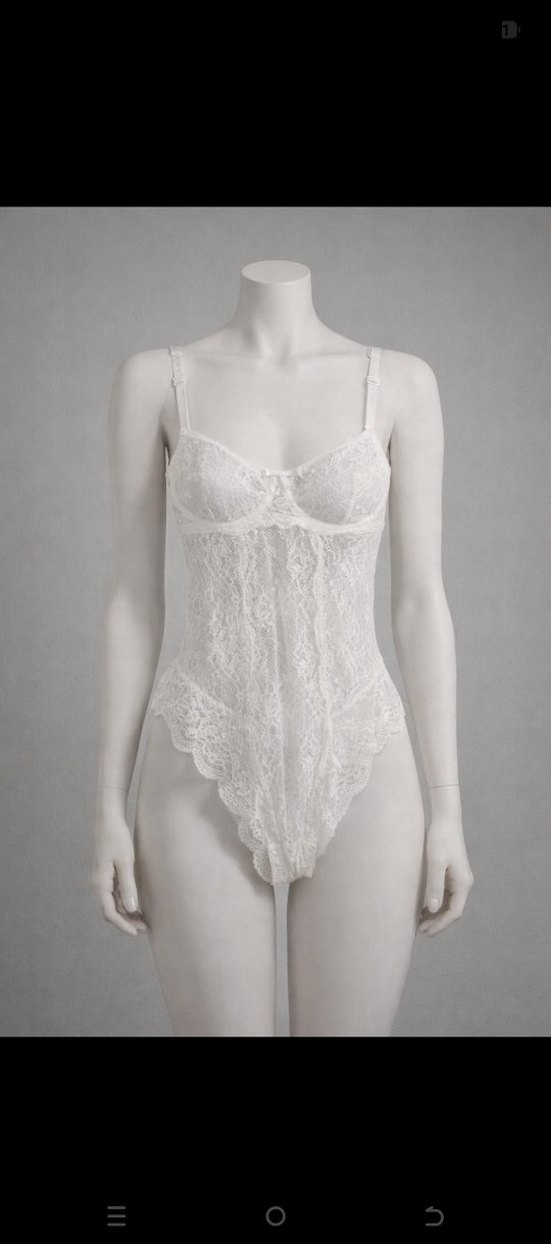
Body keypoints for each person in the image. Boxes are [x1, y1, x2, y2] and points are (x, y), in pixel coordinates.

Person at [91, 259, 474, 1036]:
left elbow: (419, 602)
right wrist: (105, 803)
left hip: (362, 757)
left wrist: (447, 809)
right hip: (200, 756)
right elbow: (134, 603)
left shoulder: (400, 384)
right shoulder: (156, 382)